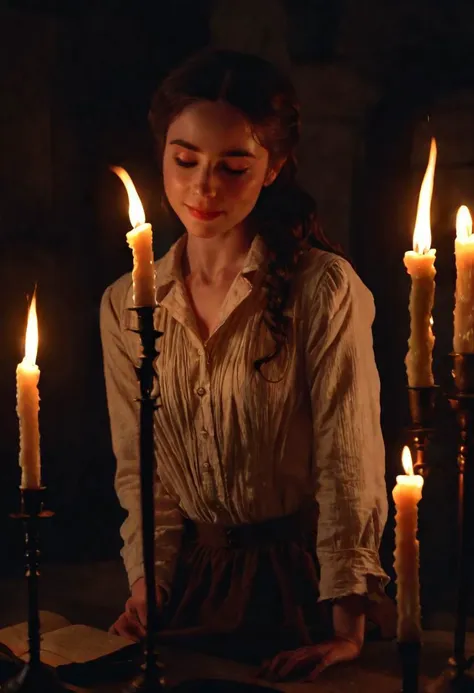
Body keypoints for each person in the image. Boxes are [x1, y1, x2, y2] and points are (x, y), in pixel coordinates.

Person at [100, 47, 393, 683]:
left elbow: (350, 459)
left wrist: (347, 628)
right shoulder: (127, 302)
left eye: (234, 166)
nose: (204, 186)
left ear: (273, 169)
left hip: (297, 588)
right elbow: (142, 465)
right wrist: (149, 582)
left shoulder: (322, 288)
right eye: (185, 160)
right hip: (191, 587)